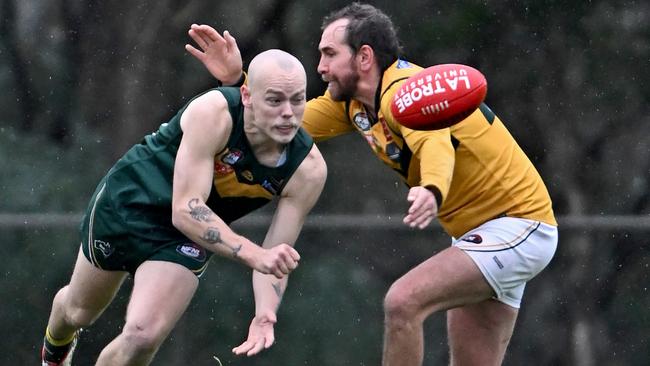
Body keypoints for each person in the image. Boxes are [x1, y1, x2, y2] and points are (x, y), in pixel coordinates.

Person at [186, 2, 558, 366]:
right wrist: (239, 81)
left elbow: (435, 142)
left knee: (403, 302)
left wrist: (431, 188)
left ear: (364, 57)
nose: (321, 68)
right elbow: (285, 120)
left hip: (518, 226)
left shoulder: (403, 91)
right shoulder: (355, 104)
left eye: (330, 54)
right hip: (480, 235)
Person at [40, 48, 327, 366]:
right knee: (79, 311)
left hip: (186, 236)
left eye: (297, 99)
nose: (288, 113)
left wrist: (265, 313)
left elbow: (276, 257)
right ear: (246, 95)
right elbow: (187, 207)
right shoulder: (214, 113)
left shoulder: (308, 171)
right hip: (130, 202)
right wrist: (254, 253)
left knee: (142, 337)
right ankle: (56, 347)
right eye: (275, 100)